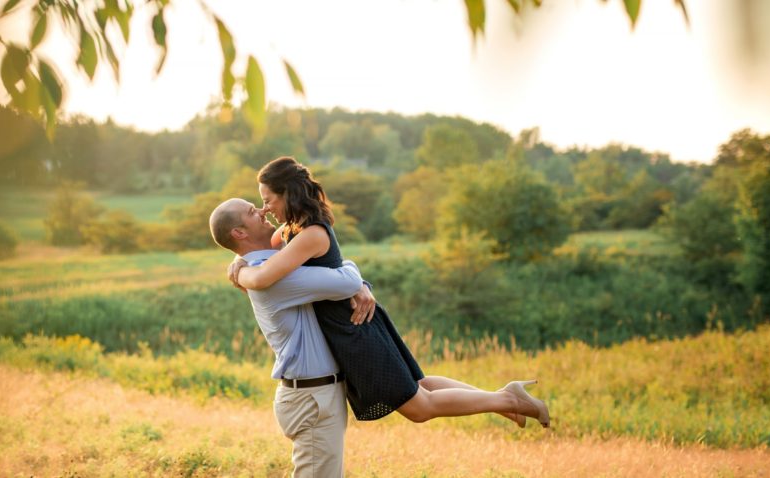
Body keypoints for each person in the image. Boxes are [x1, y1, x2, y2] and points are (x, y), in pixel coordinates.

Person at [227, 156, 551, 427]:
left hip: (350, 326)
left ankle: (507, 399)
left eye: (268, 199)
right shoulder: (291, 230)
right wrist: (238, 261)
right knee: (420, 387)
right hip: (351, 321)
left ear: (288, 194)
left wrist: (240, 272)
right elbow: (262, 253)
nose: (266, 208)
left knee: (418, 408)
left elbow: (266, 275)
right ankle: (504, 399)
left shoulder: (311, 234)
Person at [209, 197, 371, 476]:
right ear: (239, 233)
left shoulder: (269, 267)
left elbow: (332, 277)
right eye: (252, 211)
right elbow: (347, 281)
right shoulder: (271, 277)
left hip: (314, 394)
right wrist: (357, 276)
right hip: (312, 397)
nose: (262, 210)